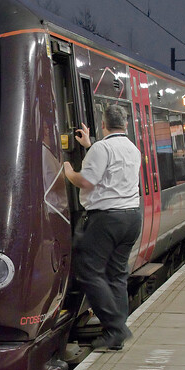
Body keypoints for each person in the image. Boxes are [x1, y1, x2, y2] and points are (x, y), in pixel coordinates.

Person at [64, 105, 141, 351]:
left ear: (103, 124)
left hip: (107, 219)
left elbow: (86, 181)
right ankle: (114, 333)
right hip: (131, 217)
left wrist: (69, 172)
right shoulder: (132, 148)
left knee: (88, 271)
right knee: (117, 275)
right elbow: (110, 167)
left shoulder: (102, 148)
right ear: (125, 125)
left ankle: (117, 328)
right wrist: (89, 145)